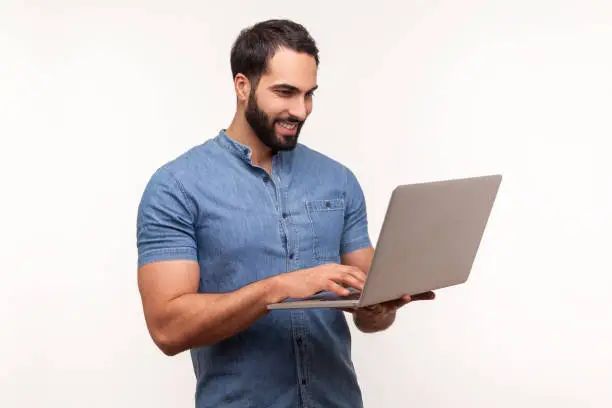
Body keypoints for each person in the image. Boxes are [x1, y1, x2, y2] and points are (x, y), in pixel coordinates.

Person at [136, 18, 435, 408]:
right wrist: (278, 289)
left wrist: (382, 307)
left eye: (309, 94)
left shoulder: (338, 180)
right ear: (242, 86)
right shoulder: (176, 187)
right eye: (285, 92)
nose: (301, 110)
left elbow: (368, 316)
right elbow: (167, 328)